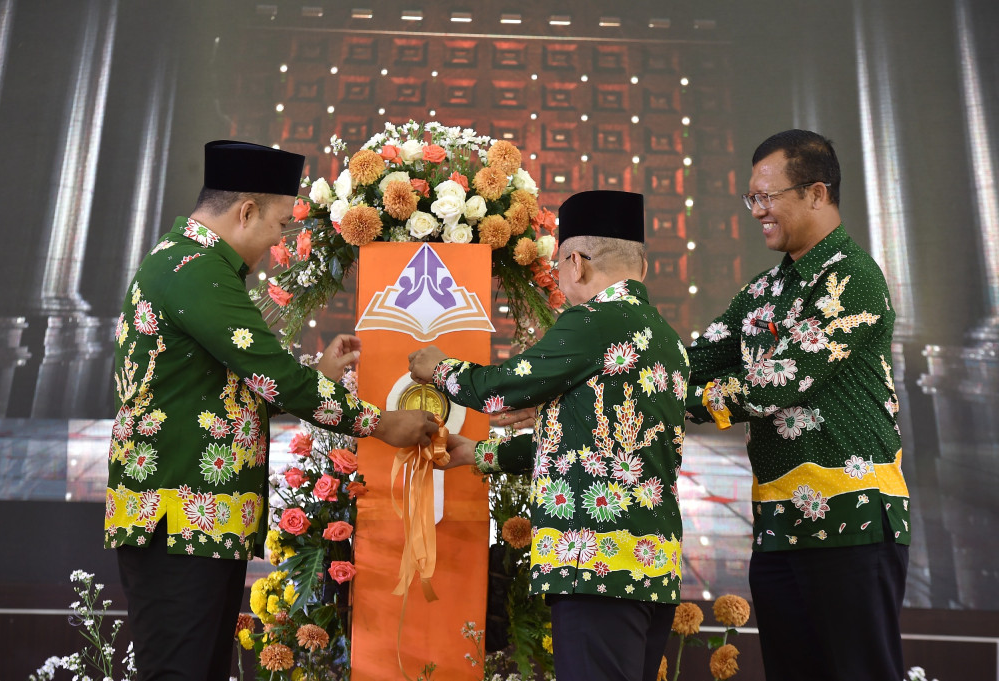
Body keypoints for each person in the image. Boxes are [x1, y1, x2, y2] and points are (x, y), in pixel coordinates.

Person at [104, 140, 438, 681]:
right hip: (180, 517)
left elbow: (221, 388)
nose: (280, 238)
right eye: (280, 224)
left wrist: (319, 376)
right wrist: (380, 423)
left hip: (193, 519)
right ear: (246, 211)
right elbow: (275, 376)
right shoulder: (196, 269)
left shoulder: (188, 262)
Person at [409, 190, 689, 681]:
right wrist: (480, 452)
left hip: (595, 564)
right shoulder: (668, 339)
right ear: (642, 264)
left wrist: (439, 368)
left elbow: (502, 387)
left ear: (576, 263)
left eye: (559, 265)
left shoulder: (595, 321)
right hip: (650, 567)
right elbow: (591, 441)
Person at [685, 129, 911, 681]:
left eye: (768, 196)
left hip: (853, 521)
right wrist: (626, 385)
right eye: (752, 197)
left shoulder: (853, 278)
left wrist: (684, 399)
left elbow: (774, 383)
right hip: (778, 526)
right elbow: (694, 363)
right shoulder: (761, 292)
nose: (757, 210)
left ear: (816, 193)